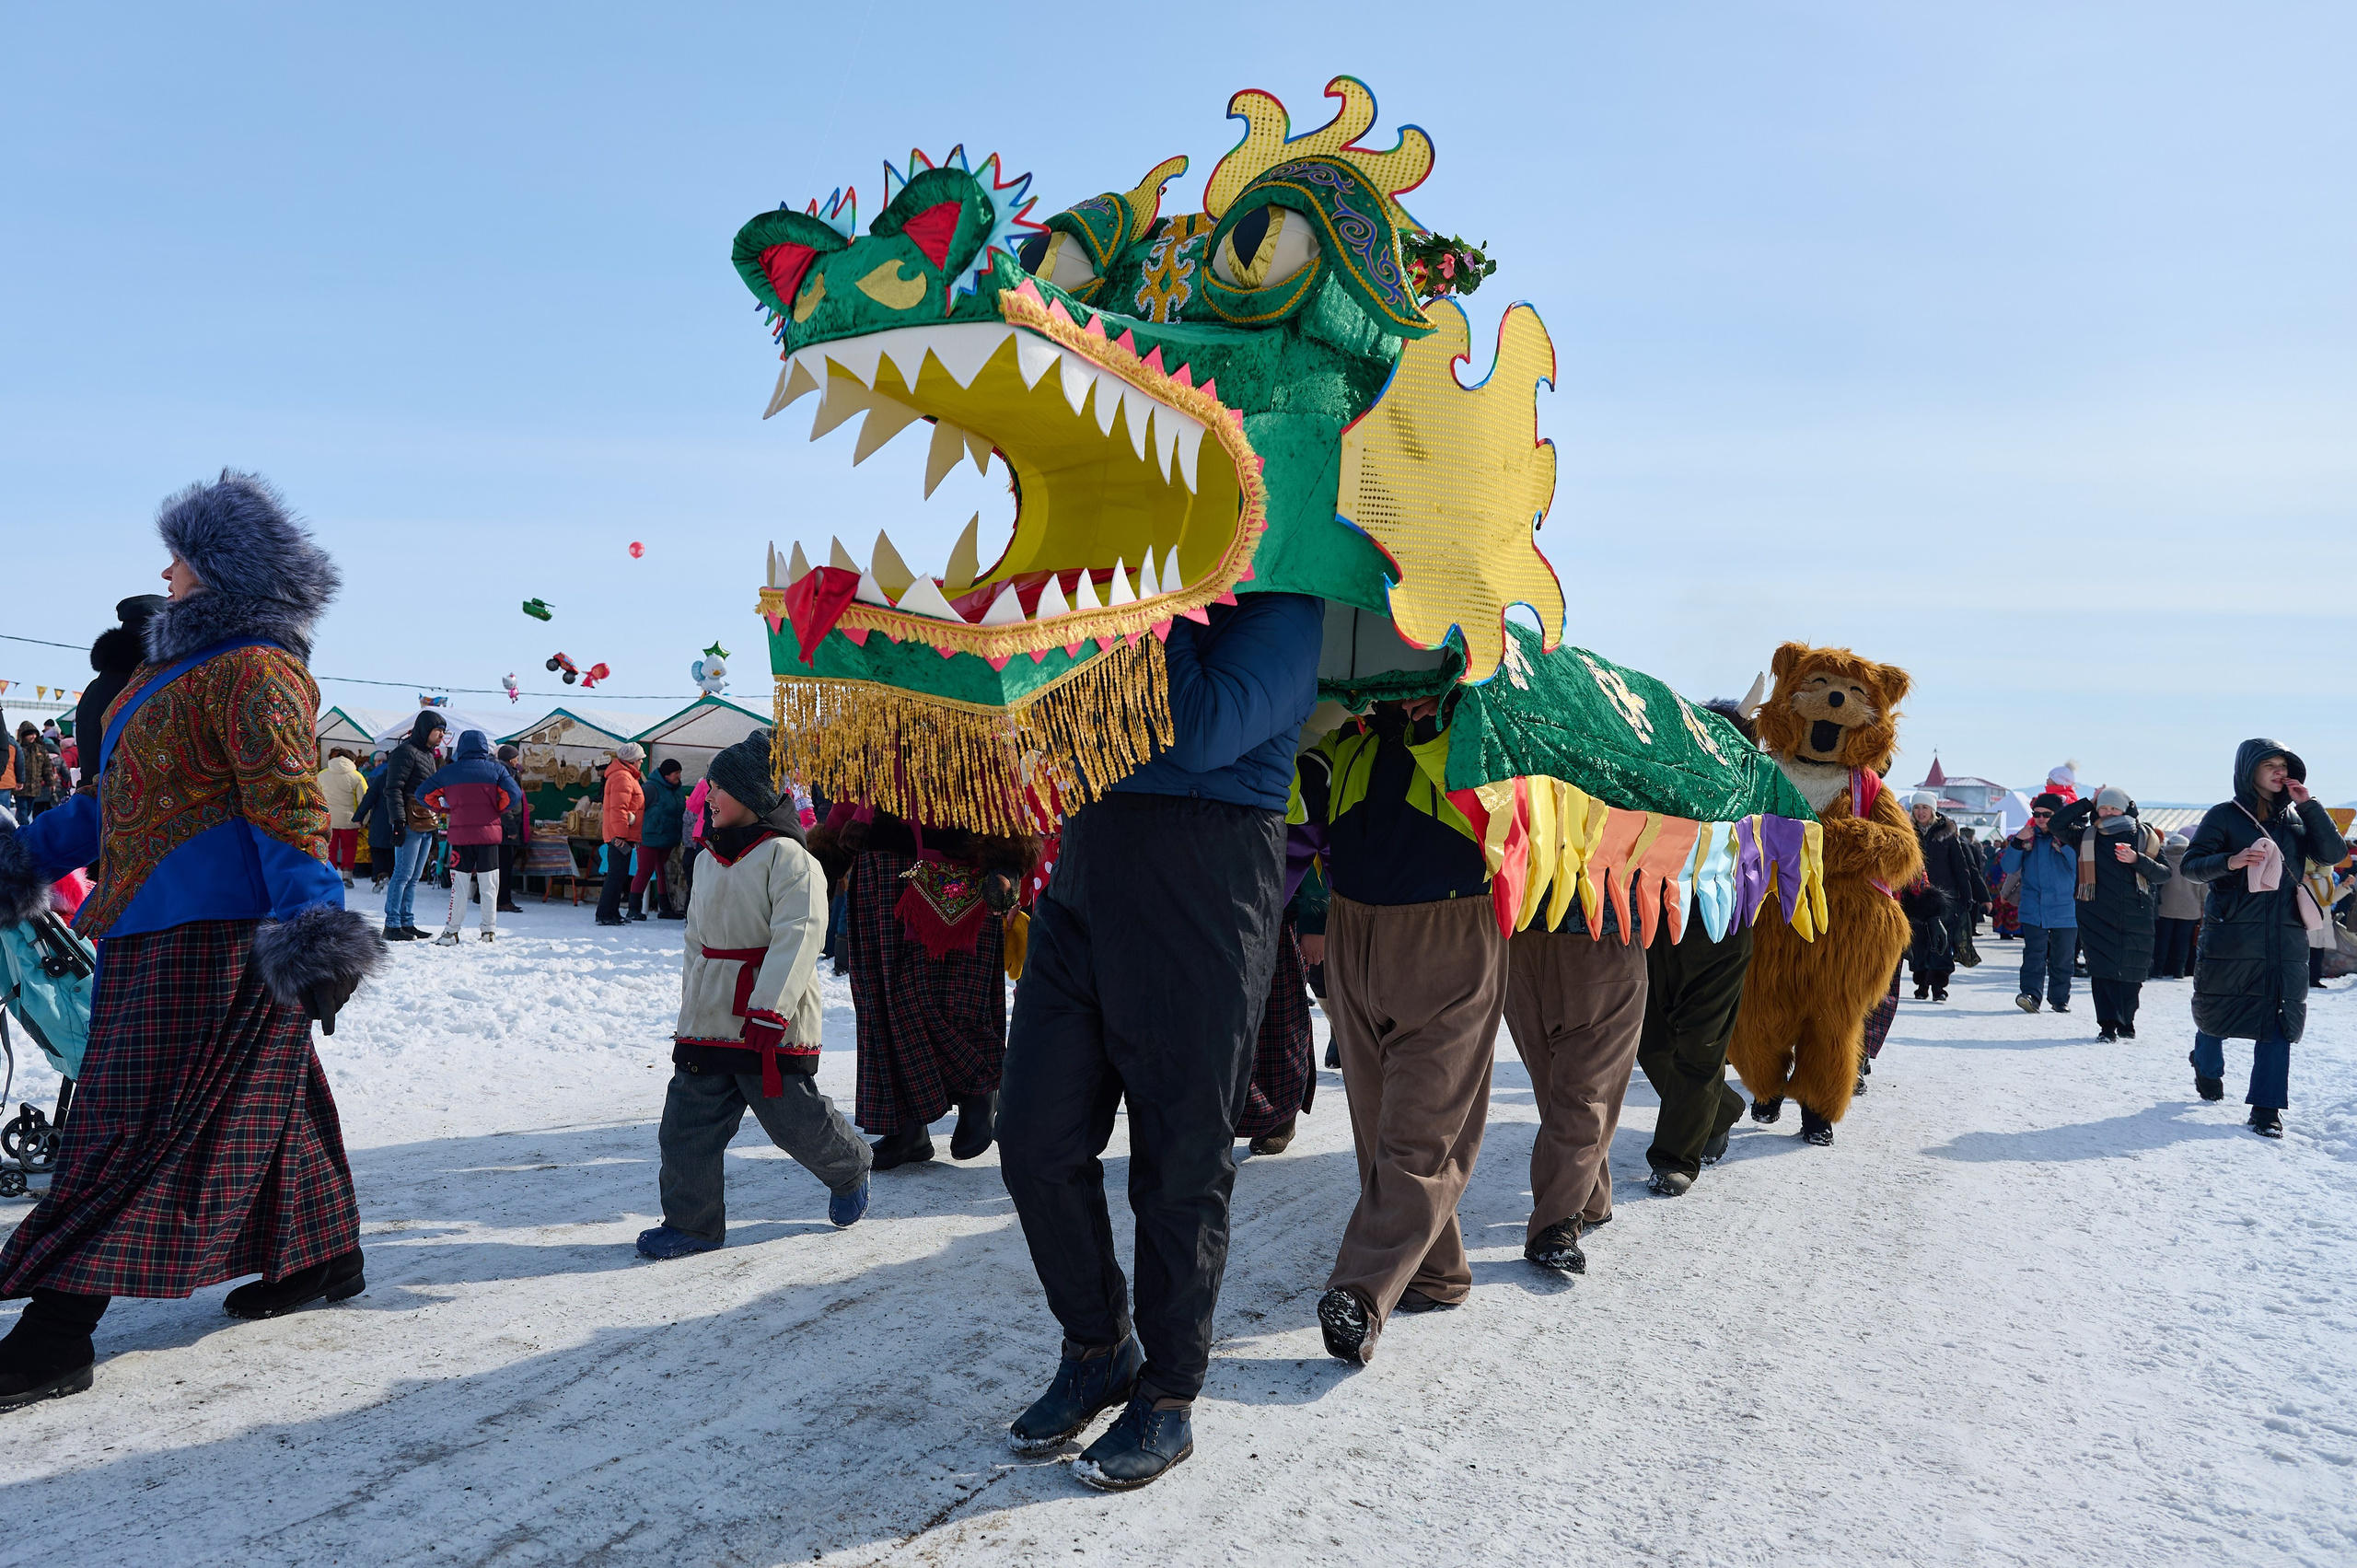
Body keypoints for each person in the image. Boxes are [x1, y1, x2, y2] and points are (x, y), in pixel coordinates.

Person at [0, 470, 384, 1411]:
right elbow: (114, 803)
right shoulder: (160, 672)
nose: (164, 568)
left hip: (219, 933)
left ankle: (57, 1331)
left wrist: (313, 924)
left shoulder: (260, 666)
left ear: (223, 566)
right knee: (272, 1091)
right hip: (146, 921)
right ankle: (318, 1256)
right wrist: (22, 856)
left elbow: (288, 800)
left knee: (128, 1123)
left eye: (179, 552)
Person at [997, 590, 1322, 1491]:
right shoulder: (1109, 599)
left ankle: (1169, 1394)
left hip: (1209, 880)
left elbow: (1202, 727)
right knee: (1032, 1136)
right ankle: (1098, 1344)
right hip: (1088, 869)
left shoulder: (1289, 607)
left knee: (1179, 1153)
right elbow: (1055, 723)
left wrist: (1151, 610)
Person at [1283, 693, 1510, 1368]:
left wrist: (1435, 723)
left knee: (1421, 1129)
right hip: (1356, 933)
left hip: (1452, 933)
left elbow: (1520, 817)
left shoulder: (1481, 733)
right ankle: (1436, 1274)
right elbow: (1292, 821)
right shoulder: (1343, 746)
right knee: (1380, 1119)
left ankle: (1362, 1290)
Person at [633, 729, 870, 1258]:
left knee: (795, 1123)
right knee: (685, 1127)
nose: (707, 796)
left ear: (751, 794)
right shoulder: (705, 859)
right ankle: (692, 1224)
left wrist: (769, 1012)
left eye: (717, 787)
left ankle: (850, 1166)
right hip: (710, 1018)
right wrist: (691, 1002)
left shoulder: (791, 859)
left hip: (770, 1017)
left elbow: (801, 936)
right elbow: (696, 940)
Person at [809, 804, 1034, 1169]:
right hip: (878, 870)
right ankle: (905, 1128)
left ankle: (980, 1092)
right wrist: (827, 853)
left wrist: (1006, 863)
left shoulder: (975, 743)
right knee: (882, 999)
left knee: (946, 997)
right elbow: (854, 793)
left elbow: (997, 791)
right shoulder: (869, 745)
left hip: (954, 868)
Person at [2179, 741, 2342, 1137]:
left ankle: (2267, 1109)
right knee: (2217, 1012)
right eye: (2268, 765)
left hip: (2285, 935)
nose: (2278, 772)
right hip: (2232, 933)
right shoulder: (2223, 816)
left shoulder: (2298, 819)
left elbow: (2333, 853)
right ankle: (2206, 1065)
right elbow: (2191, 866)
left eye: (2283, 765)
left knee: (2278, 1018)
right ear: (2248, 770)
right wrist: (2231, 861)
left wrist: (2310, 806)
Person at [2051, 788, 2170, 1041]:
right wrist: (2088, 802)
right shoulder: (2086, 835)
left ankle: (2127, 1021)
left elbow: (2164, 874)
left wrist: (2137, 859)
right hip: (2095, 913)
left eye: (2113, 808)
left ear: (2126, 809)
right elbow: (2056, 823)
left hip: (2136, 913)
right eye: (2103, 808)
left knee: (2132, 973)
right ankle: (2107, 1026)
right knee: (2103, 971)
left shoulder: (2145, 836)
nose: (2107, 813)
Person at [420, 730, 515, 945]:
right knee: (489, 884)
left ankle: (452, 932)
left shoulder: (449, 772)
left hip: (461, 836)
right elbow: (514, 795)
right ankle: (488, 932)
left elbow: (423, 794)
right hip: (489, 836)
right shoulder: (497, 770)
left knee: (460, 885)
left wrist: (446, 809)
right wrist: (496, 809)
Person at [1998, 794, 2078, 1014]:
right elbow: (2008, 867)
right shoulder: (2027, 838)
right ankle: (2031, 995)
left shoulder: (2069, 837)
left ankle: (2060, 998)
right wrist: (2016, 842)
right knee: (2034, 955)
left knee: (2062, 957)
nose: (2041, 819)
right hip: (2034, 907)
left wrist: (2064, 844)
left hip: (2065, 909)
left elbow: (2077, 867)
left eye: (2047, 814)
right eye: (2037, 814)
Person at [1907, 791, 1985, 1001]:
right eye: (1916, 808)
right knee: (1919, 943)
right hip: (1916, 897)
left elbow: (1961, 866)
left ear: (1933, 810)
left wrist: (1967, 895)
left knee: (1941, 943)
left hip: (1945, 898)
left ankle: (1939, 987)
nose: (1920, 812)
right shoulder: (1907, 833)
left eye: (1924, 807)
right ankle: (1921, 983)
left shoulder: (1947, 833)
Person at [379, 712, 448, 940]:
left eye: (443, 731)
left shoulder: (428, 755)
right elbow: (394, 789)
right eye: (438, 730)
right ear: (425, 729)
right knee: (402, 875)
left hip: (426, 822)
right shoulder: (405, 752)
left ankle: (406, 921)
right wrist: (397, 822)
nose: (441, 735)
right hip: (409, 822)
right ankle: (392, 924)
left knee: (415, 877)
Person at [594, 742, 645, 927]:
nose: (641, 761)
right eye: (640, 758)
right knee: (616, 874)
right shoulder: (623, 777)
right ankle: (606, 913)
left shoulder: (624, 776)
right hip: (621, 834)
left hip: (622, 833)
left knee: (618, 874)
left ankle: (611, 912)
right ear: (632, 760)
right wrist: (622, 835)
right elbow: (619, 808)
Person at [632, 757, 687, 921]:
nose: (679, 776)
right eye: (675, 773)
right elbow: (637, 809)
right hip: (650, 837)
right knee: (645, 871)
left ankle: (665, 908)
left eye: (680, 773)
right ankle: (633, 908)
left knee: (662, 872)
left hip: (668, 838)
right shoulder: (650, 788)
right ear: (666, 774)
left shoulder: (677, 789)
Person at [2151, 830, 2202, 980]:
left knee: (2162, 939)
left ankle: (2158, 969)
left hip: (2165, 908)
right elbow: (2204, 890)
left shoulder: (2162, 860)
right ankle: (2179, 971)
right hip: (2190, 910)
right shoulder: (2194, 863)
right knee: (2183, 941)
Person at [317, 748, 368, 889]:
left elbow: (317, 798)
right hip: (350, 820)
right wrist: (363, 819)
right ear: (352, 760)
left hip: (329, 820)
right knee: (349, 848)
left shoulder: (322, 775)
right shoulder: (357, 776)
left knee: (330, 848)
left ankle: (330, 876)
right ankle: (347, 876)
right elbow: (364, 800)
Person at [493, 743, 529, 913]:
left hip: (504, 827)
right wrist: (512, 829)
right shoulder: (506, 774)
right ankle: (503, 901)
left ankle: (499, 899)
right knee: (504, 867)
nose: (517, 760)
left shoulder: (506, 772)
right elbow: (505, 805)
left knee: (501, 866)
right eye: (515, 757)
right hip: (505, 829)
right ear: (510, 758)